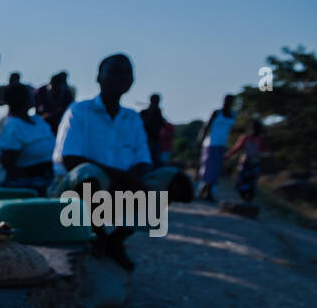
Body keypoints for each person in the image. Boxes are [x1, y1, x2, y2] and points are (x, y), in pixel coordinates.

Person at [51, 54, 193, 268]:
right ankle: (94, 234)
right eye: (115, 71)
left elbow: (143, 160)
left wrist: (132, 180)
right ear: (99, 77)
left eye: (128, 72)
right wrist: (121, 177)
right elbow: (70, 159)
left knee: (174, 180)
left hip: (119, 189)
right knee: (89, 174)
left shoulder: (132, 118)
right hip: (76, 191)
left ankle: (114, 241)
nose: (123, 77)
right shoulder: (79, 111)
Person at [0, 82, 54, 191]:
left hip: (49, 174)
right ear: (22, 99)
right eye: (30, 94)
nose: (34, 96)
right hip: (30, 181)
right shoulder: (13, 126)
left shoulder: (37, 120)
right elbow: (9, 164)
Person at [196, 94, 236, 202]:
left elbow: (232, 130)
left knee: (216, 169)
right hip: (211, 143)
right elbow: (206, 127)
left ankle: (204, 191)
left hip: (222, 144)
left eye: (230, 101)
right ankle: (206, 192)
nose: (227, 102)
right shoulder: (216, 112)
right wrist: (200, 140)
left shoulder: (233, 114)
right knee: (209, 168)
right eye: (226, 100)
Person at [225, 120, 266, 203]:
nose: (256, 130)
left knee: (252, 184)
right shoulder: (245, 138)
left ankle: (248, 200)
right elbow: (236, 148)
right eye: (255, 128)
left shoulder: (261, 139)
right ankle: (243, 199)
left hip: (255, 164)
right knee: (242, 182)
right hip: (245, 163)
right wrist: (227, 155)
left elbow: (263, 152)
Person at [139, 94, 167, 167]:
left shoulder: (158, 113)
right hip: (144, 141)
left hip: (155, 141)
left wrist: (159, 114)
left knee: (155, 162)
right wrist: (150, 113)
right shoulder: (144, 112)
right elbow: (141, 125)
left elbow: (163, 125)